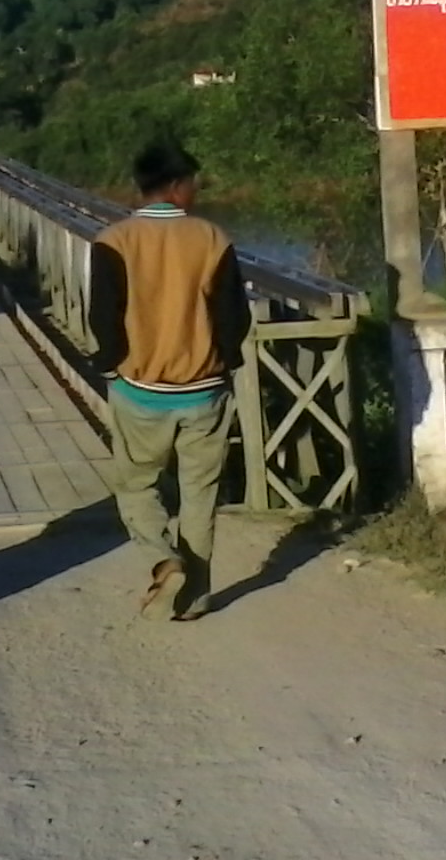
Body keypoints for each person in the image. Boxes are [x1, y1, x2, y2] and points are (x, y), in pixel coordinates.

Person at [89, 141, 250, 621]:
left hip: (140, 390)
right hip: (204, 390)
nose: (196, 191)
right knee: (200, 495)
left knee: (137, 486)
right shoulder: (212, 239)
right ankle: (194, 598)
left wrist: (114, 363)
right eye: (194, 183)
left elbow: (103, 316)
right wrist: (223, 360)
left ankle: (162, 558)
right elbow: (233, 317)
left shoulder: (114, 240)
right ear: (177, 186)